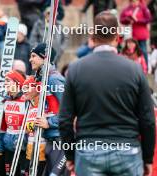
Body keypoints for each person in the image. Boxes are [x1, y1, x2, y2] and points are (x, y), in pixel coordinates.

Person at [59, 11, 156, 176]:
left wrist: (70, 155)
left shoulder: (75, 69)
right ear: (118, 37)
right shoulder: (134, 70)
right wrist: (147, 159)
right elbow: (148, 120)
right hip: (127, 150)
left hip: (89, 150)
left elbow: (65, 120)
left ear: (93, 36)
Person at [29, 43, 69, 175]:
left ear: (44, 58)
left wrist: (49, 122)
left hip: (60, 140)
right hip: (51, 139)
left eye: (34, 56)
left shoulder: (54, 79)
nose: (30, 59)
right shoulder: (43, 80)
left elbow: (69, 111)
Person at [3, 70, 27, 175]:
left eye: (8, 80)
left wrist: (23, 141)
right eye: (5, 81)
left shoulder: (26, 100)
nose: (5, 83)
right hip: (8, 147)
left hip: (22, 149)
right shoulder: (5, 100)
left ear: (17, 83)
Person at [22, 76, 46, 175]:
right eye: (24, 88)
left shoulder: (45, 105)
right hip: (29, 154)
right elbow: (27, 129)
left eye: (28, 87)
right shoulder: (29, 107)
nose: (25, 91)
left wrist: (30, 126)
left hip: (42, 156)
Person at [120, 0, 152, 65]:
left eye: (134, 1)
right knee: (129, 50)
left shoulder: (143, 8)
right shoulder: (127, 9)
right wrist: (127, 19)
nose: (133, 3)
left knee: (143, 50)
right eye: (131, 1)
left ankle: (145, 66)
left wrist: (138, 20)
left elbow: (148, 19)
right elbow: (122, 19)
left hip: (141, 33)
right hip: (130, 34)